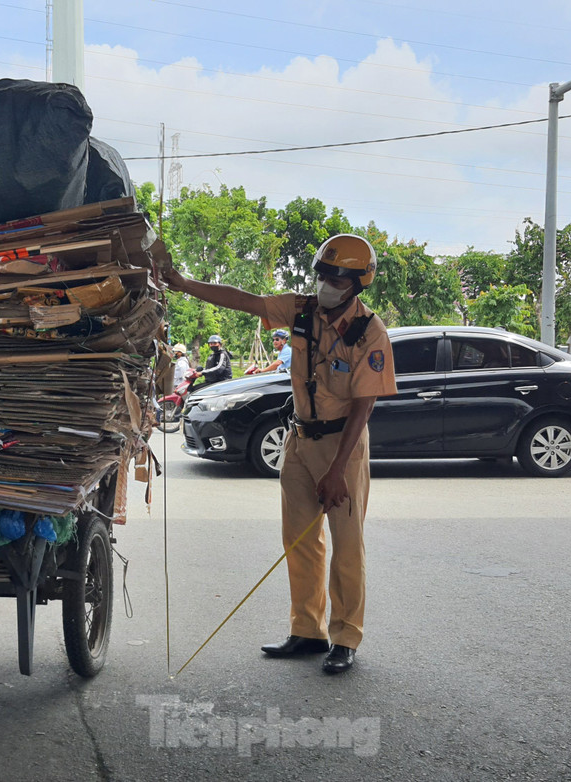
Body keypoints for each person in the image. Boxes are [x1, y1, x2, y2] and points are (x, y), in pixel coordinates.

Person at [162, 234, 397, 675]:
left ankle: (345, 637)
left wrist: (337, 470)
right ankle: (308, 630)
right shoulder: (301, 310)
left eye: (337, 279)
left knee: (347, 546)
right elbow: (243, 300)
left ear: (357, 283)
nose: (326, 285)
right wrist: (183, 282)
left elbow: (364, 407)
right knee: (299, 539)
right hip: (299, 439)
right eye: (323, 275)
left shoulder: (370, 332)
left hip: (342, 447)